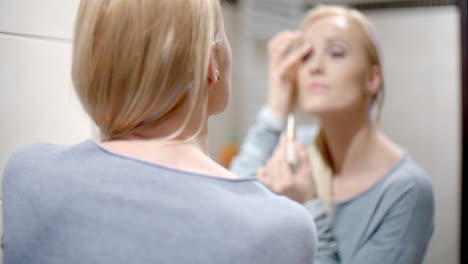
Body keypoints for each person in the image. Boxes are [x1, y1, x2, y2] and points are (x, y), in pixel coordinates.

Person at [1, 0, 318, 263]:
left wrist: (275, 109)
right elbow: (222, 210)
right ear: (211, 63)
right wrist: (308, 204)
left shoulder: (27, 174)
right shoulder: (280, 226)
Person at [231, 5, 434, 264]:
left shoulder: (407, 190)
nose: (314, 66)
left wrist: (307, 206)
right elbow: (234, 205)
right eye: (305, 56)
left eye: (335, 53)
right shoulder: (298, 150)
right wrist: (275, 106)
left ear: (372, 79)